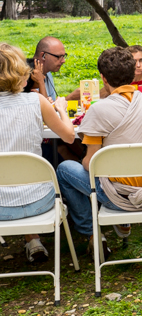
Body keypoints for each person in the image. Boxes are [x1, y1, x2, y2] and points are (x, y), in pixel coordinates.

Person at [57, 47, 142, 254]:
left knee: (65, 169)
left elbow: (92, 164)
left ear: (103, 78)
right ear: (133, 72)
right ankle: (116, 226)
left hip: (119, 196)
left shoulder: (99, 110)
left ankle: (92, 232)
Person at [0, 43, 75, 263]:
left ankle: (31, 240)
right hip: (38, 201)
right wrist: (61, 109)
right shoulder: (37, 101)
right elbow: (69, 137)